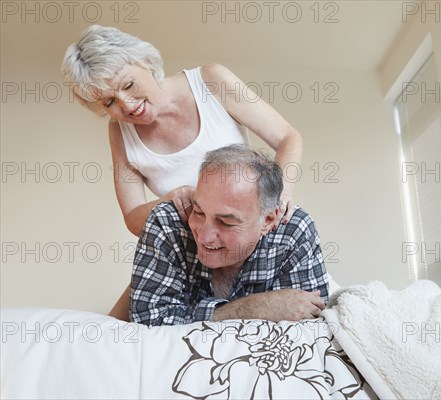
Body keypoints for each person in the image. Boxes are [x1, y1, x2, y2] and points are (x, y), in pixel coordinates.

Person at [62, 25, 303, 320]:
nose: (126, 104)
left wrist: (278, 195)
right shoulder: (119, 133)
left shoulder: (211, 81)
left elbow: (288, 138)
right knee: (114, 333)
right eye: (109, 101)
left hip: (244, 240)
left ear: (147, 63)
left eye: (128, 85)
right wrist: (172, 199)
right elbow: (133, 218)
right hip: (188, 254)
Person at [130, 144, 328, 326]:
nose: (204, 237)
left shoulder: (293, 231)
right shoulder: (167, 222)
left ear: (267, 221)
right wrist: (256, 308)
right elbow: (149, 324)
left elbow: (308, 331)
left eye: (226, 222)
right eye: (198, 212)